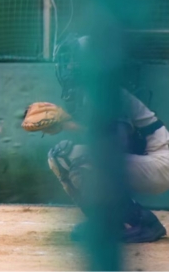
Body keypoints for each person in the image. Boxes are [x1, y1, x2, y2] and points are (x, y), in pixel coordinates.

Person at [47, 34, 169, 243]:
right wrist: (61, 124)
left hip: (160, 163)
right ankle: (105, 221)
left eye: (75, 61)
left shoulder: (109, 93)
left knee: (84, 159)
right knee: (60, 156)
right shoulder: (89, 92)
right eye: (67, 62)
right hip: (142, 160)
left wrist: (67, 125)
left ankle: (142, 221)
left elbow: (118, 140)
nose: (69, 67)